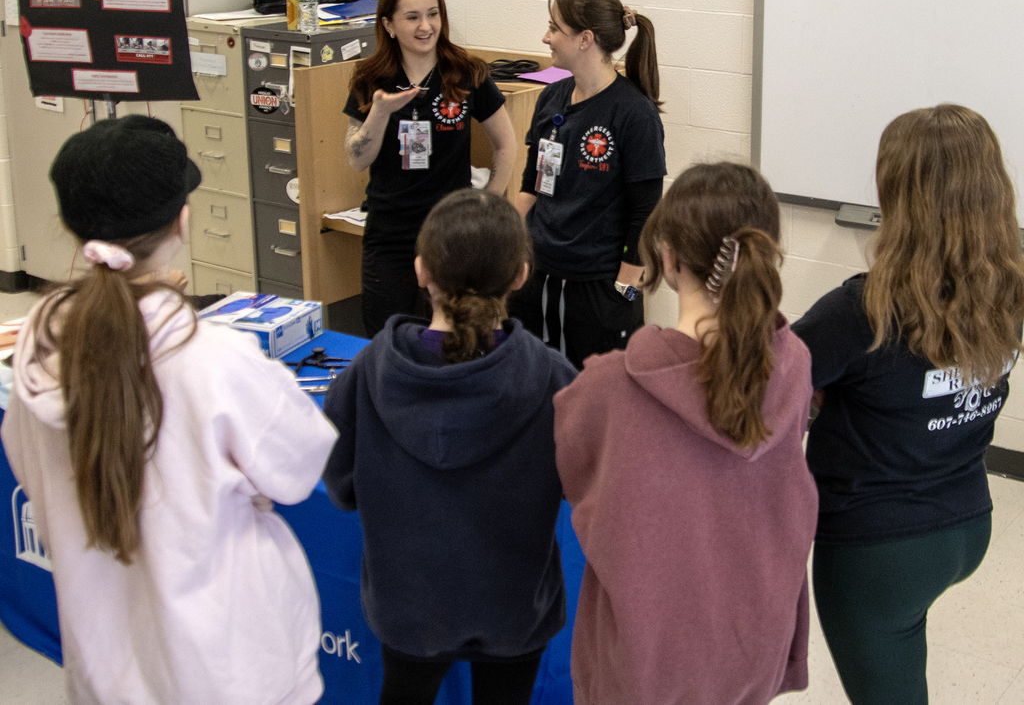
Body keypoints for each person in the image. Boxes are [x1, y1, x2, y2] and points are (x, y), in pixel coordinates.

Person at [0, 115, 339, 705]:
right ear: (182, 218)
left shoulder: (37, 347)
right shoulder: (214, 360)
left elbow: (29, 466)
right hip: (230, 670)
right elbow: (301, 468)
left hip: (106, 668)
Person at [554, 163, 818, 704]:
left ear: (669, 259)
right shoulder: (792, 362)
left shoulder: (611, 385)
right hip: (752, 645)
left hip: (644, 663)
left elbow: (569, 475)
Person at [792, 104, 1024, 705]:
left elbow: (761, 393)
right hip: (968, 524)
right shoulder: (1008, 291)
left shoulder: (861, 311)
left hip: (878, 551)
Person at [321, 189, 577, 705]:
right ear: (521, 276)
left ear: (420, 271)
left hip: (407, 606)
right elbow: (582, 487)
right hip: (514, 609)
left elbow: (342, 488)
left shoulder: (367, 374)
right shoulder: (554, 381)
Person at [344, 0, 517, 338]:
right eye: (412, 17)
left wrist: (488, 205)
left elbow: (506, 144)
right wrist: (379, 112)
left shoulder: (467, 73)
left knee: (453, 339)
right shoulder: (371, 77)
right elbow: (357, 158)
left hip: (452, 235)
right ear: (388, 25)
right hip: (390, 234)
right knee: (388, 338)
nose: (426, 26)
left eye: (433, 14)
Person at [507, 0, 666, 369]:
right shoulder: (551, 98)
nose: (546, 37)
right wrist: (505, 248)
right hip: (538, 276)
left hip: (598, 290)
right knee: (536, 393)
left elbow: (646, 212)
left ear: (585, 39)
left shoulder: (633, 113)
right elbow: (531, 185)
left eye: (554, 28)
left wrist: (623, 289)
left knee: (597, 407)